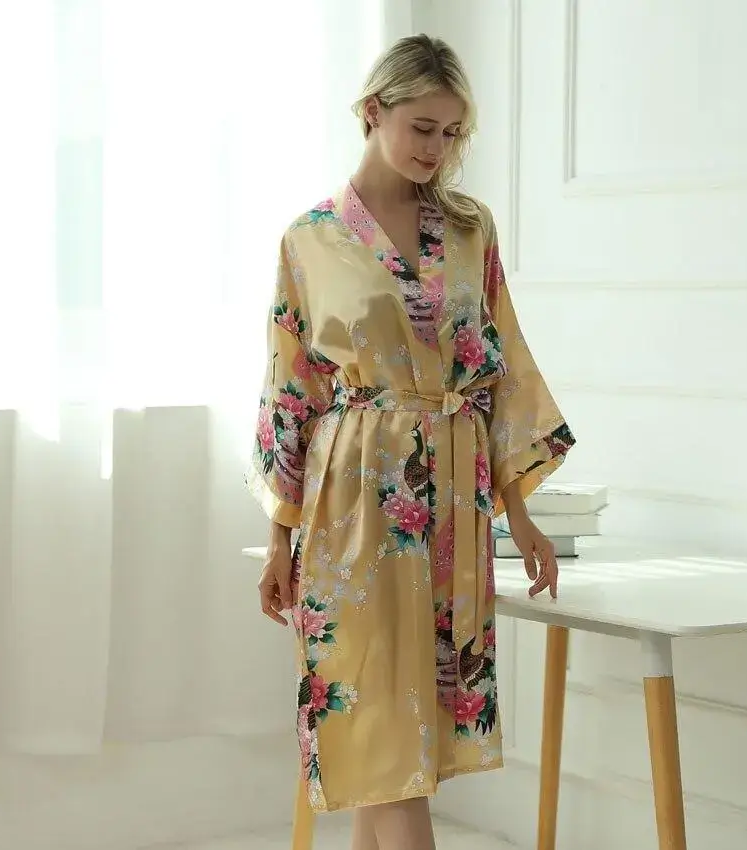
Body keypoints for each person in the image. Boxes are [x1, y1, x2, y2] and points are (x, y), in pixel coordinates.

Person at [246, 33, 575, 850]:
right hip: (354, 501)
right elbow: (291, 392)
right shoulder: (308, 239)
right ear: (373, 111)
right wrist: (279, 537)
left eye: (451, 132)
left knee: (400, 742)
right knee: (380, 727)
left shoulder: (468, 229)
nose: (437, 148)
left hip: (454, 498)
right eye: (422, 127)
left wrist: (520, 515)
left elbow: (503, 366)